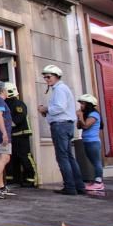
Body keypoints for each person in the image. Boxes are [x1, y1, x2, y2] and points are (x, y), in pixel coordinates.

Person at [37, 65, 86, 195]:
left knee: (62, 157)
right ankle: (79, 186)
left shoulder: (59, 89)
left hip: (60, 126)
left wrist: (45, 109)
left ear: (57, 76)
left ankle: (70, 187)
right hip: (66, 125)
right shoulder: (62, 89)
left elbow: (59, 107)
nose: (46, 79)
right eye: (45, 77)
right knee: (69, 156)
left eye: (49, 77)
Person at [5, 82, 38, 187]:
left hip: (22, 134)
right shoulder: (6, 104)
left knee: (25, 156)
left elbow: (18, 119)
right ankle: (14, 178)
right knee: (13, 158)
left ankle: (31, 179)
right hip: (12, 135)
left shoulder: (18, 104)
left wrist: (5, 125)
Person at [77, 94, 105, 191]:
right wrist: (79, 117)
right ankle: (95, 180)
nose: (81, 106)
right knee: (93, 161)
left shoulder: (94, 115)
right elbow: (79, 126)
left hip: (93, 142)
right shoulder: (87, 115)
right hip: (87, 141)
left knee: (96, 162)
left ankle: (99, 182)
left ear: (89, 104)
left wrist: (80, 116)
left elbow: (85, 126)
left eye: (83, 103)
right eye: (81, 103)